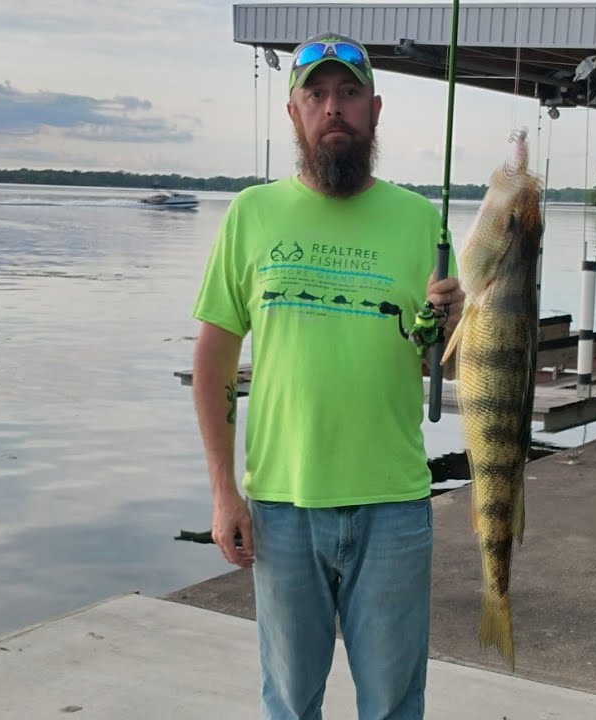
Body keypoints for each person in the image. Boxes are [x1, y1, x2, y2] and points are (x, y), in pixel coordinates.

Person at [190, 31, 464, 720]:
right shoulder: (251, 214)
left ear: (374, 109)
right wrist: (225, 492)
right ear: (293, 113)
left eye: (347, 94)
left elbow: (439, 361)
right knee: (287, 700)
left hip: (394, 504)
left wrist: (454, 323)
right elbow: (214, 355)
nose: (332, 108)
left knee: (396, 703)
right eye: (316, 94)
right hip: (282, 504)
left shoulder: (419, 220)